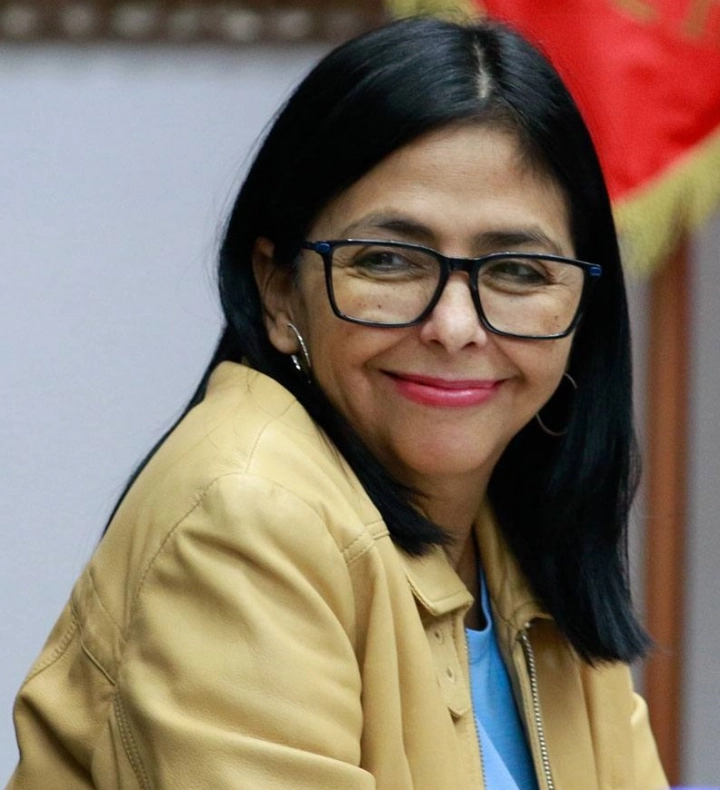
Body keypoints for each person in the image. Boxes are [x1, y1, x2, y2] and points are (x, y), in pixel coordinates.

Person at [7, 16, 668, 790]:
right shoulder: (246, 519)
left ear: (582, 308)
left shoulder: (522, 534)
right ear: (278, 288)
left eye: (518, 271)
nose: (455, 326)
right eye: (387, 260)